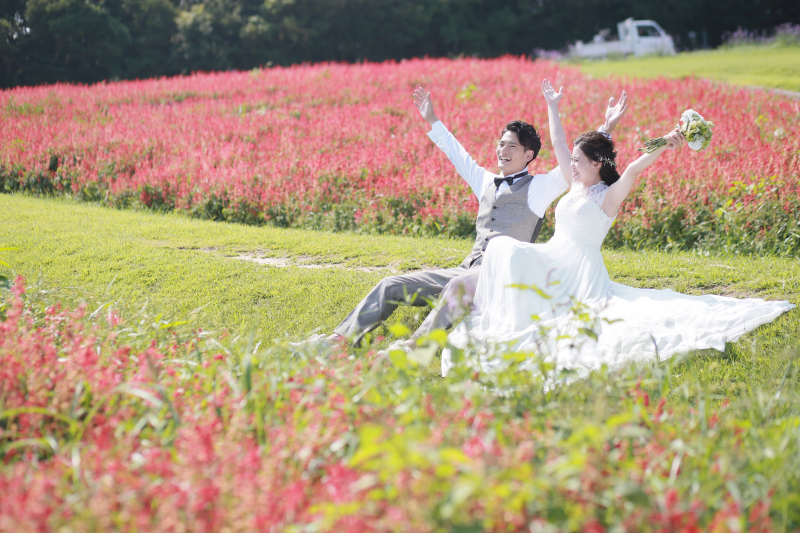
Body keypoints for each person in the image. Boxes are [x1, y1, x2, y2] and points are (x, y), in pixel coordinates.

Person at [441, 79, 795, 378]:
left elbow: (635, 168)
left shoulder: (608, 196)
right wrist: (553, 106)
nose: (570, 166)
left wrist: (668, 139)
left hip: (580, 271)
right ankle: (491, 309)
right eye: (572, 161)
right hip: (553, 256)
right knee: (503, 247)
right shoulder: (575, 183)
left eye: (578, 162)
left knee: (511, 255)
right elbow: (560, 143)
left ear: (597, 164)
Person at [292, 84, 630, 351]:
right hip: (466, 269)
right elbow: (457, 154)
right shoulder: (484, 180)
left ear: (528, 155)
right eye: (500, 144)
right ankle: (337, 342)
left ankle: (414, 349)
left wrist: (607, 127)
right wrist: (432, 120)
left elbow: (578, 160)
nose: (502, 150)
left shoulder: (541, 188)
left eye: (511, 146)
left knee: (456, 287)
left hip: (501, 277)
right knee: (390, 284)